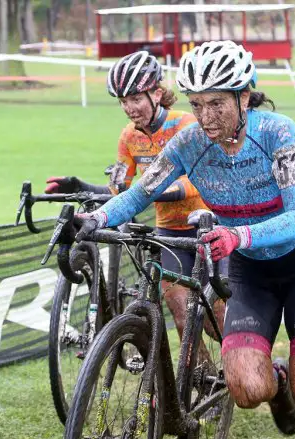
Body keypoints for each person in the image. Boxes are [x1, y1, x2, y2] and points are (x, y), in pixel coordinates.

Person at [77, 40, 295, 439]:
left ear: (244, 95)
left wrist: (240, 235)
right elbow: (141, 193)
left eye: (217, 102)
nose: (206, 116)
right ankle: (272, 377)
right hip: (252, 272)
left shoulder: (278, 132)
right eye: (197, 104)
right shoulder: (190, 142)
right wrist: (94, 218)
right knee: (245, 389)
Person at [44, 50, 224, 352]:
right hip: (169, 234)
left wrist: (151, 191)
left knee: (213, 320)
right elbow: (121, 192)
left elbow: (196, 185)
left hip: (206, 227)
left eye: (136, 99)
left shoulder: (187, 124)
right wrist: (80, 185)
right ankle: (196, 384)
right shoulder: (129, 136)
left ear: (156, 92)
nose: (129, 108)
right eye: (123, 101)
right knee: (182, 315)